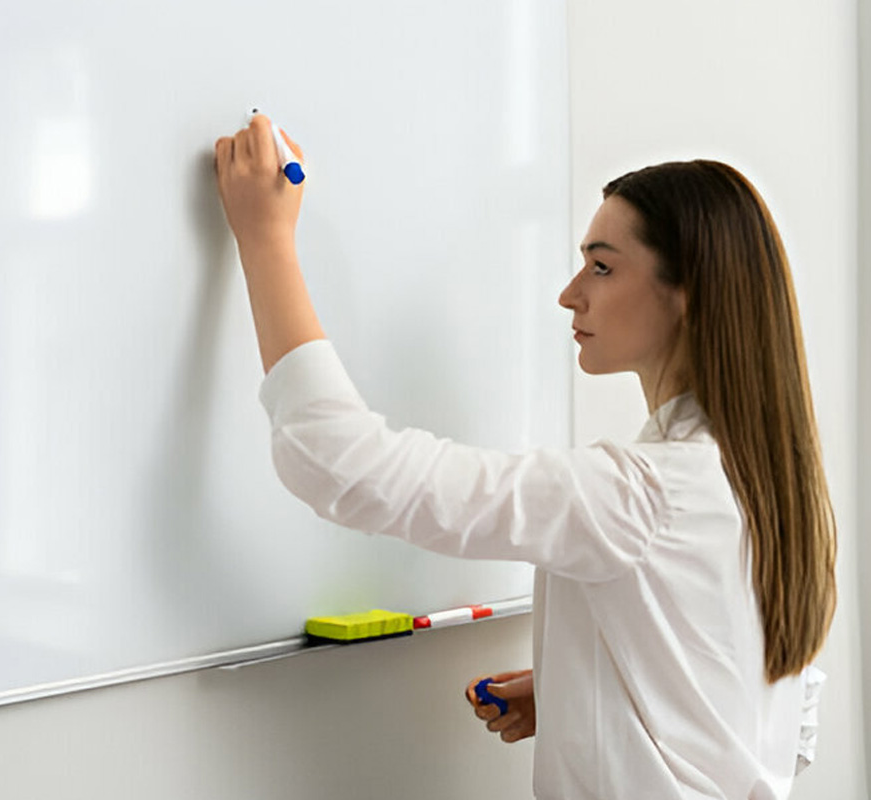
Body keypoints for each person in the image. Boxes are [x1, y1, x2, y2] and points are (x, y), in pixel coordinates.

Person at [213, 116, 836, 799]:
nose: (571, 293)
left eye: (602, 266)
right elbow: (783, 718)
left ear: (687, 294)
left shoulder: (643, 495)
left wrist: (266, 240)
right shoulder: (767, 482)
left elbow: (344, 465)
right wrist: (588, 691)